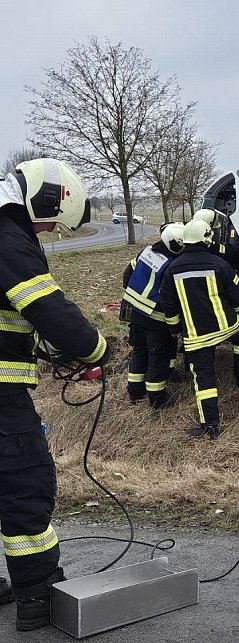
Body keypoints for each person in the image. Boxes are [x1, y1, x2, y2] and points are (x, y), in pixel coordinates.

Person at [0, 159, 110, 630]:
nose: (46, 232)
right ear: (43, 200)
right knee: (26, 485)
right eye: (50, 223)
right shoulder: (8, 239)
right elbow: (48, 307)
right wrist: (94, 349)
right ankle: (38, 599)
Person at [159, 219, 239, 439]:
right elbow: (236, 295)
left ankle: (210, 425)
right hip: (226, 326)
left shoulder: (173, 268)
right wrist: (237, 309)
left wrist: (175, 329)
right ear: (207, 238)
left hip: (196, 335)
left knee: (203, 379)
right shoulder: (219, 264)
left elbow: (168, 303)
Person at [122, 222, 185, 409]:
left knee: (140, 352)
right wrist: (175, 326)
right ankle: (158, 399)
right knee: (159, 357)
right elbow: (169, 300)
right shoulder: (172, 265)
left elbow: (128, 274)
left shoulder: (147, 252)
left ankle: (135, 392)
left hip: (135, 314)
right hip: (156, 319)